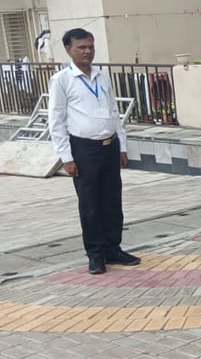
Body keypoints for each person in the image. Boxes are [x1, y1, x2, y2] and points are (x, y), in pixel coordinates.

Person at [48, 28, 140, 275]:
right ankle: (96, 254)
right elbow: (56, 121)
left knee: (112, 201)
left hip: (109, 146)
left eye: (90, 46)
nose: (88, 51)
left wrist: (122, 145)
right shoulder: (62, 80)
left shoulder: (102, 76)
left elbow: (114, 112)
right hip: (83, 149)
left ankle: (113, 248)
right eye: (82, 47)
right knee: (90, 204)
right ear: (68, 49)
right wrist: (67, 157)